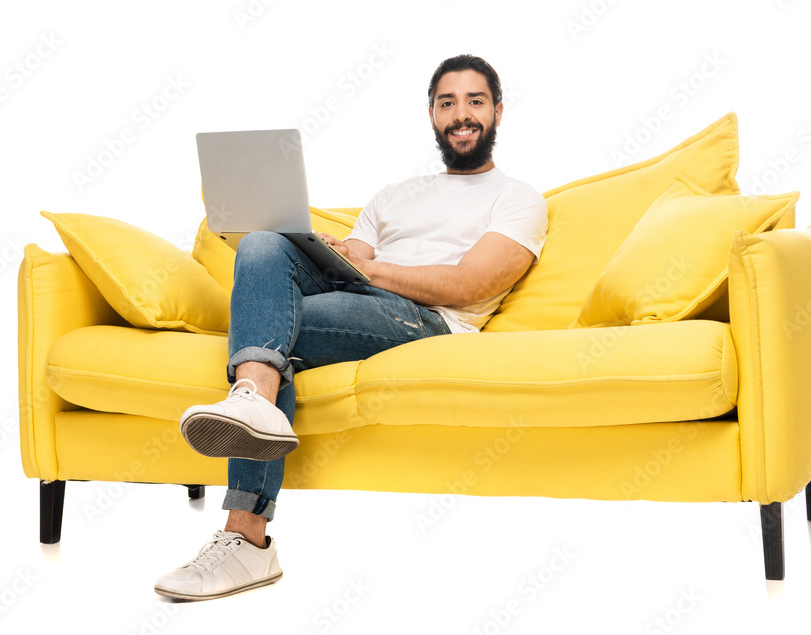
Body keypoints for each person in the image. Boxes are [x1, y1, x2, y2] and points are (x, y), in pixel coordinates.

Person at [154, 54, 548, 601]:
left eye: (475, 101)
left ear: (498, 112)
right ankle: (253, 398)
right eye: (447, 102)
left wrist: (372, 270)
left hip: (429, 321)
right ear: (432, 114)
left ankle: (245, 538)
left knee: (272, 329)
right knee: (265, 244)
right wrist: (335, 254)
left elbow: (470, 283)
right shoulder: (394, 195)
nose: (462, 114)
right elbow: (355, 258)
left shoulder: (518, 197)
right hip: (358, 296)